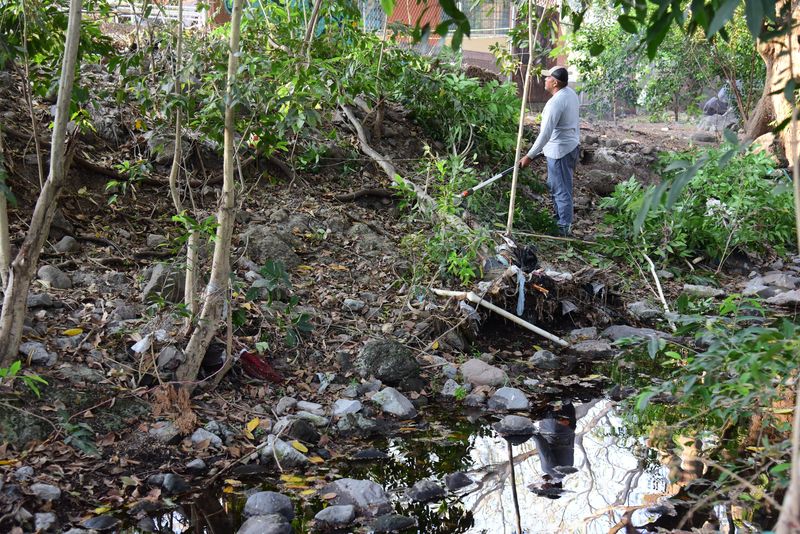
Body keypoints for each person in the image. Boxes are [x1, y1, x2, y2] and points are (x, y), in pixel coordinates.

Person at [519, 66, 580, 237]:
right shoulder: (571, 94)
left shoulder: (555, 102)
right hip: (569, 146)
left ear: (554, 83)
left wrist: (529, 156)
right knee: (557, 186)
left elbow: (545, 134)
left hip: (560, 151)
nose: (544, 80)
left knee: (561, 189)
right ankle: (559, 221)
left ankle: (563, 228)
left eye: (547, 78)